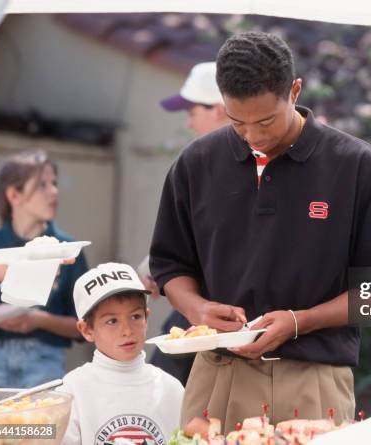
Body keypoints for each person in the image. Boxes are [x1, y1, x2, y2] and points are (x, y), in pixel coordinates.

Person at [149, 31, 371, 431]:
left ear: (295, 90)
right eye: (238, 123)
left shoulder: (354, 165)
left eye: (266, 120)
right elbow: (170, 266)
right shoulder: (195, 164)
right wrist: (197, 309)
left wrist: (300, 321)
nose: (254, 136)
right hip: (217, 378)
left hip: (315, 380)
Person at [142, 61, 229, 385]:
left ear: (219, 110)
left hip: (224, 320)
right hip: (198, 311)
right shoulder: (201, 163)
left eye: (192, 112)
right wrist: (155, 267)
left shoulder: (234, 164)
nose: (189, 123)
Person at [0, 149, 89, 388]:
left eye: (54, 183)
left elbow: (86, 325)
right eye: (42, 185)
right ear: (14, 194)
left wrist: (39, 320)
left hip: (46, 362)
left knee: (41, 428)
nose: (54, 191)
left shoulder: (68, 249)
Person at [59, 262, 184, 445]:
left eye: (135, 317)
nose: (127, 330)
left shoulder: (171, 388)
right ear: (86, 330)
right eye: (112, 321)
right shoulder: (71, 390)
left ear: (146, 317)